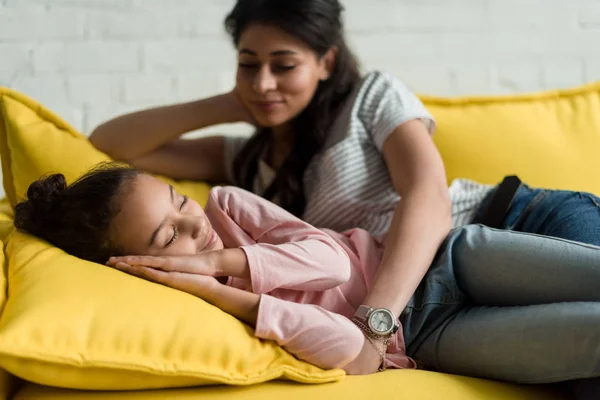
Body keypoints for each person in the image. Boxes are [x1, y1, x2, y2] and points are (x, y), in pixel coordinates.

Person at [87, 0, 600, 385]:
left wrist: (375, 326)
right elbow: (109, 145)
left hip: (517, 222)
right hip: (425, 315)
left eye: (283, 65)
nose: (264, 81)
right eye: (249, 63)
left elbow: (428, 197)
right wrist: (239, 100)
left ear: (327, 62)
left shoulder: (370, 97)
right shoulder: (248, 160)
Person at [13, 165, 600, 400]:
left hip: (445, 261)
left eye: (178, 201)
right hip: (431, 335)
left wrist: (224, 263)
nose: (195, 225)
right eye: (171, 239)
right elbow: (357, 357)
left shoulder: (225, 210)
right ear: (146, 270)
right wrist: (227, 297)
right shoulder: (209, 315)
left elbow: (331, 262)